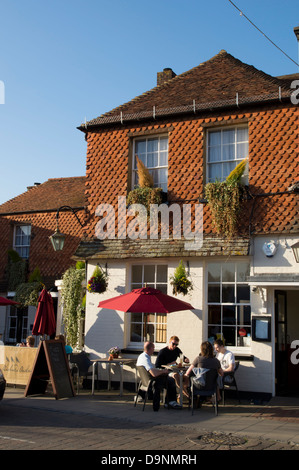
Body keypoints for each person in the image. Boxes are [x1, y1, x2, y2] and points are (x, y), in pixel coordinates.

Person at [136, 341, 182, 411]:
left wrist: (161, 371)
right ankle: (170, 402)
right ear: (151, 348)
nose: (154, 350)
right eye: (153, 348)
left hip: (145, 381)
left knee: (168, 378)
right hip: (152, 382)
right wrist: (163, 371)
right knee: (171, 380)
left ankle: (168, 401)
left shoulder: (142, 356)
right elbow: (154, 373)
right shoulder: (145, 359)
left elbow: (152, 370)